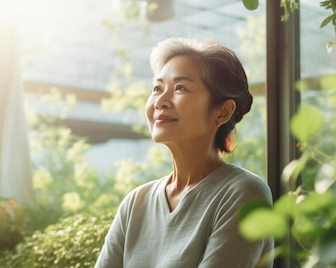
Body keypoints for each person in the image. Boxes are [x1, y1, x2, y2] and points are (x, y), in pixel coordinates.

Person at [95, 37, 274, 268]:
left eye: (180, 87)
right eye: (157, 88)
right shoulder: (135, 203)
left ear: (223, 112)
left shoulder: (243, 193)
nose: (160, 100)